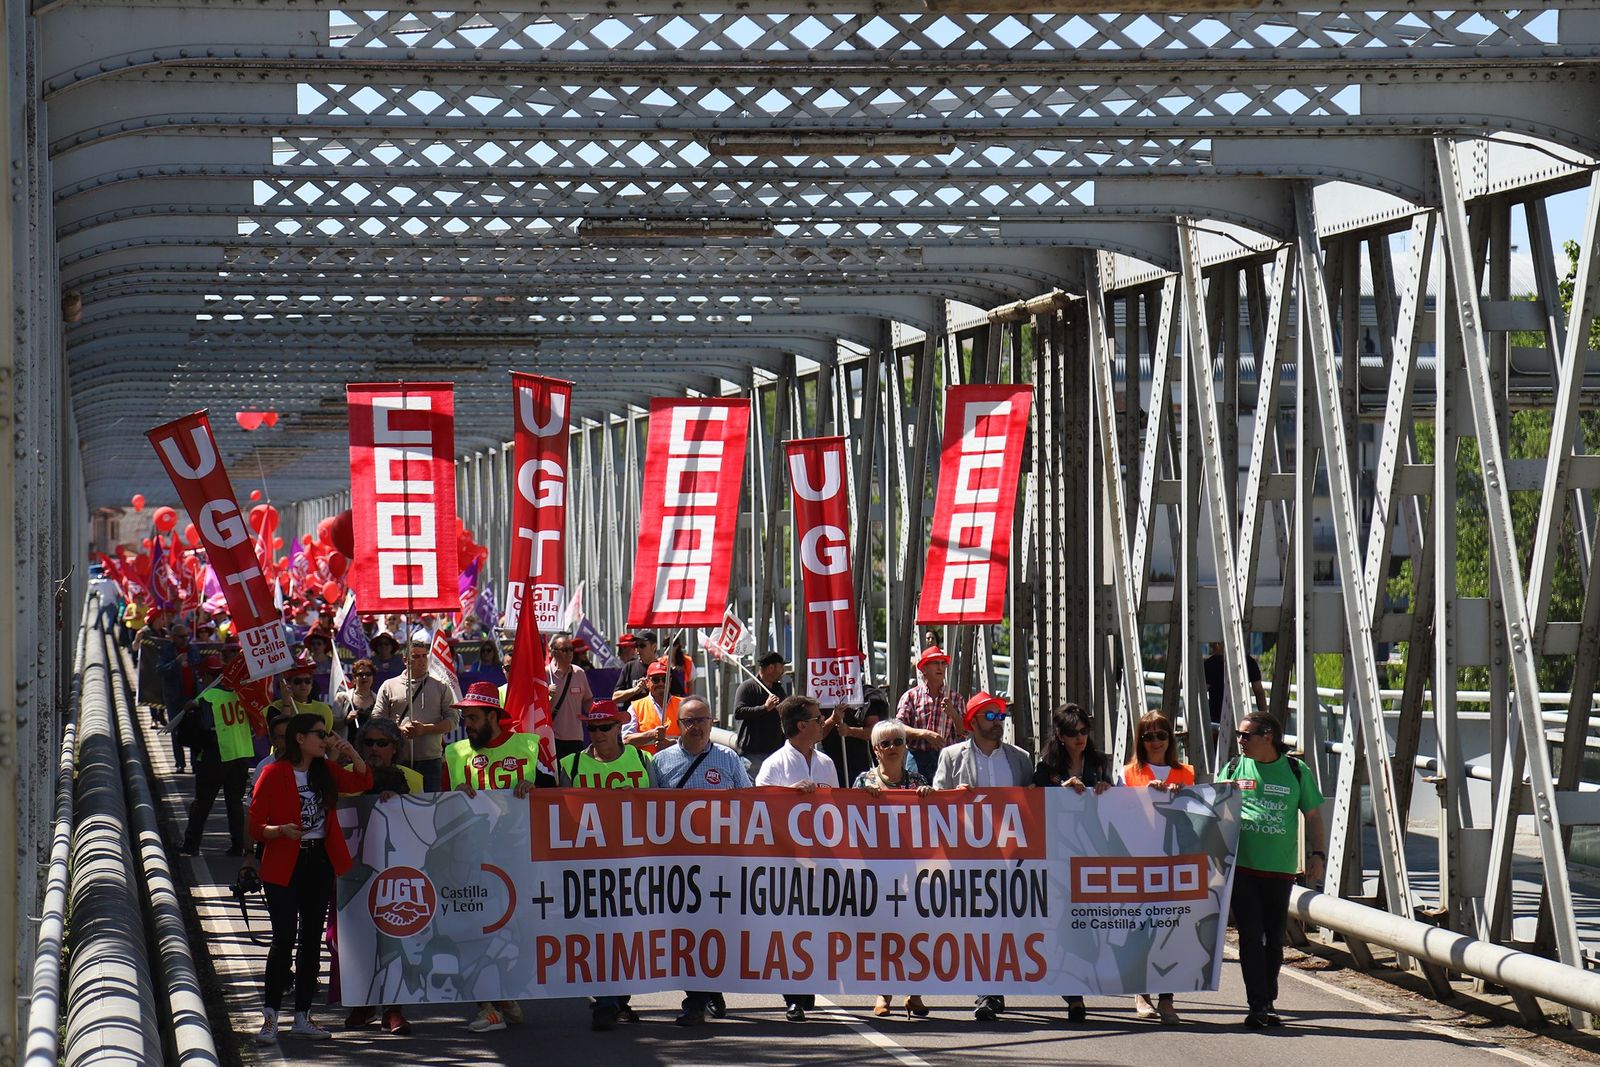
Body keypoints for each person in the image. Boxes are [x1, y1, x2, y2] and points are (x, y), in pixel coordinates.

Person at [249, 712, 371, 1043]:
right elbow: (254, 826)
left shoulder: (326, 771)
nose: (325, 738)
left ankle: (302, 1015)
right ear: (300, 738)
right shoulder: (273, 773)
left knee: (311, 939)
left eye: (326, 733)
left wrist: (352, 753)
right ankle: (270, 1016)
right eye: (320, 734)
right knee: (284, 938)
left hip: (319, 861)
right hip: (284, 861)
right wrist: (279, 831)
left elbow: (362, 782)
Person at [442, 682, 541, 1033]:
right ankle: (488, 1003)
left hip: (519, 853)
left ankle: (507, 994)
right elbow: (440, 808)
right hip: (472, 859)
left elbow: (554, 796)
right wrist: (453, 795)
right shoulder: (454, 753)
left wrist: (535, 787)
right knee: (476, 929)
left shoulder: (528, 745)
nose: (466, 724)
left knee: (520, 929)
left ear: (492, 716)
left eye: (472, 717)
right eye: (464, 717)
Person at [1217, 711, 1326, 1029]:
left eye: (1246, 735)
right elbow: (1213, 804)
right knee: (1251, 936)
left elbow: (1315, 816)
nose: (1240, 740)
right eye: (1238, 733)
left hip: (1280, 870)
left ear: (1267, 737)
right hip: (1243, 868)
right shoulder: (1236, 767)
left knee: (1274, 939)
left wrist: (1317, 854)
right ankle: (1258, 1003)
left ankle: (1268, 999)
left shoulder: (1295, 770)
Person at [559, 699, 660, 1030]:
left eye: (605, 727)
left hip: (633, 865)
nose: (598, 733)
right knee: (598, 935)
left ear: (620, 728)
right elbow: (553, 813)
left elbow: (661, 811)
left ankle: (619, 999)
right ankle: (605, 1001)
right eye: (592, 727)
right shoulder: (571, 765)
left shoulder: (643, 761)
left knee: (628, 935)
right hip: (587, 865)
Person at [933, 692, 1033, 1022]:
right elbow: (934, 802)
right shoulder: (951, 757)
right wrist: (951, 798)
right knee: (978, 924)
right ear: (972, 721)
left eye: (1001, 715)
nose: (998, 722)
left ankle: (993, 988)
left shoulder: (1020, 759)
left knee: (1005, 924)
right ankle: (987, 991)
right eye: (990, 716)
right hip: (969, 856)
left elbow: (1036, 807)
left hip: (1010, 857)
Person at [652, 695, 750, 1028]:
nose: (695, 727)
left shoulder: (729, 760)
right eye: (688, 721)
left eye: (701, 720)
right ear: (678, 725)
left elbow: (751, 804)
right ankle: (698, 998)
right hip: (678, 866)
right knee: (688, 933)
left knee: (717, 930)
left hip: (721, 864)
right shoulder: (661, 762)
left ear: (712, 722)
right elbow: (646, 812)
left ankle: (706, 990)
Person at [755, 695, 839, 1022]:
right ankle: (792, 996)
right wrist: (790, 794)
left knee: (816, 926)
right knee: (791, 928)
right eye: (818, 719)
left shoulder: (827, 764)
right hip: (786, 861)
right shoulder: (775, 765)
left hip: (821, 858)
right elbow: (759, 811)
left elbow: (839, 810)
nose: (823, 723)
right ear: (802, 725)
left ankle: (807, 987)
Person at [342, 715, 422, 1035]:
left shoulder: (413, 779)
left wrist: (401, 805)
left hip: (397, 869)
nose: (374, 749)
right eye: (368, 743)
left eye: (382, 743)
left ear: (395, 748)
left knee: (393, 939)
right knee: (353, 939)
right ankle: (361, 1003)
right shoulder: (343, 775)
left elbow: (425, 822)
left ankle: (393, 1009)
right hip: (352, 870)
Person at [1121, 710, 1194, 1024]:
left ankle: (1167, 998)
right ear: (1140, 740)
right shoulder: (1128, 773)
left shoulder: (1186, 774)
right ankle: (1141, 993)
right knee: (1141, 931)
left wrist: (1185, 798)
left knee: (1171, 930)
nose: (1154, 742)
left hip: (1174, 863)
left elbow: (1202, 815)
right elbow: (1115, 814)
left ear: (1170, 739)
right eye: (1148, 736)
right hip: (1139, 860)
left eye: (1161, 735)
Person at [854, 719, 930, 1019]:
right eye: (885, 744)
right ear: (876, 750)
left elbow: (934, 821)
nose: (892, 748)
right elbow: (849, 822)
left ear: (905, 745)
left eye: (897, 742)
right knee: (884, 933)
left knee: (915, 930)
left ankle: (914, 993)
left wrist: (930, 796)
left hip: (913, 869)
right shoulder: (864, 782)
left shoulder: (916, 781)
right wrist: (863, 800)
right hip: (878, 870)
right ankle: (883, 993)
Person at [179, 653, 253, 856]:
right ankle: (238, 845)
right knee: (235, 803)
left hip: (217, 754)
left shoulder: (207, 697)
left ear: (206, 676)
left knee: (202, 803)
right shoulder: (240, 693)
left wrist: (188, 710)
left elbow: (200, 727)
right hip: (242, 754)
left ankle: (191, 844)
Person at [373, 632, 458, 792]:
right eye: (416, 657)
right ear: (405, 660)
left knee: (429, 808)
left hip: (431, 759)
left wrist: (426, 729)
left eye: (424, 656)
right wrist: (397, 730)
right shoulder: (388, 686)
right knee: (398, 805)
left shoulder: (441, 686)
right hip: (397, 757)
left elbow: (453, 720)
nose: (421, 660)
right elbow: (377, 719)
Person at [896, 645, 964, 780]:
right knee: (915, 798)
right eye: (935, 663)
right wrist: (925, 734)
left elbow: (963, 732)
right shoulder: (911, 696)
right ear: (923, 668)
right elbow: (898, 727)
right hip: (917, 758)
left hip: (946, 758)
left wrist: (953, 714)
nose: (940, 667)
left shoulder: (955, 698)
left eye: (943, 663)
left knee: (944, 798)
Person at [821, 685, 888, 788]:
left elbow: (874, 732)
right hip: (828, 765)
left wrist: (849, 731)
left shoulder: (868, 695)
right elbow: (815, 734)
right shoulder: (820, 695)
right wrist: (832, 719)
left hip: (858, 765)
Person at [733, 652, 787, 774]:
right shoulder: (747, 687)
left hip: (776, 751)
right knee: (754, 791)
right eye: (781, 667)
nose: (783, 671)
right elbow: (739, 712)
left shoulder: (779, 689)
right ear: (771, 668)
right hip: (753, 754)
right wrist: (765, 707)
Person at [547, 633, 594, 759]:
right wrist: (546, 693)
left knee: (574, 776)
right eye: (565, 650)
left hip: (575, 737)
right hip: (551, 738)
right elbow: (534, 706)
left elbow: (588, 700)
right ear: (554, 652)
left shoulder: (579, 673)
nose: (569, 653)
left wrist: (595, 713)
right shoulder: (544, 674)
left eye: (571, 649)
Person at [1204, 640, 1267, 734]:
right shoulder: (1248, 661)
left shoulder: (1210, 664)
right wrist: (1264, 717)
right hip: (1236, 716)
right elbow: (1258, 691)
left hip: (1218, 716)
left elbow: (1201, 692)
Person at [622, 660, 680, 755]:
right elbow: (626, 740)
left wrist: (674, 744)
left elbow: (694, 737)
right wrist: (652, 734)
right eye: (656, 680)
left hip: (678, 763)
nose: (661, 683)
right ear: (647, 682)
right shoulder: (635, 707)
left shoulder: (683, 704)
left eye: (664, 679)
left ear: (670, 681)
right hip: (646, 765)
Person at [269, 661, 336, 734]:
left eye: (307, 681)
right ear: (289, 684)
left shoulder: (323, 709)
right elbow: (283, 734)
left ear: (312, 684)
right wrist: (286, 704)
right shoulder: (275, 707)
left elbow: (326, 737)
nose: (303, 685)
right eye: (298, 681)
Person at [335, 658, 378, 744]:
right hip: (347, 750)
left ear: (373, 677)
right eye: (360, 674)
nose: (364, 677)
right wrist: (346, 720)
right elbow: (332, 725)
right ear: (354, 678)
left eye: (368, 674)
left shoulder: (378, 699)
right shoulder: (342, 698)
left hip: (372, 749)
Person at [611, 629, 659, 705]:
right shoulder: (629, 667)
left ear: (654, 647)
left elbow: (677, 696)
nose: (638, 650)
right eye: (636, 646)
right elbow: (615, 697)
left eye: (642, 646)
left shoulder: (663, 669)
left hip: (655, 715)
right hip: (634, 715)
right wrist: (634, 690)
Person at [304, 628, 335, 701]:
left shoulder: (333, 662)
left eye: (319, 643)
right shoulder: (306, 663)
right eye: (313, 644)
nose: (316, 646)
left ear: (325, 645)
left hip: (329, 697)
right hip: (312, 697)